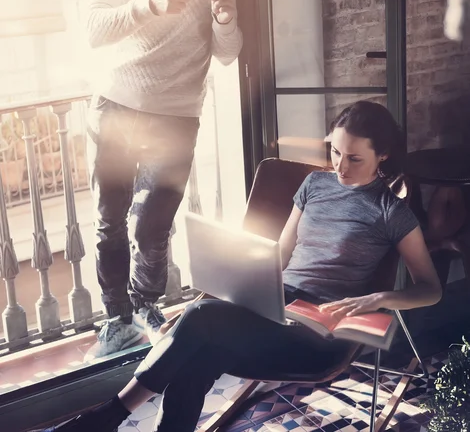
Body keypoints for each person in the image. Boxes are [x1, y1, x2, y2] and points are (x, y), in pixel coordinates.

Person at [40, 101, 442, 431]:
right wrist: (236, 287)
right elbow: (279, 258)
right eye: (335, 151)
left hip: (320, 334)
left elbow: (430, 288)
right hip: (278, 313)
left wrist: (379, 297)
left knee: (200, 320)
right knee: (199, 353)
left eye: (354, 158)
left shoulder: (390, 212)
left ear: (382, 156)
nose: (340, 166)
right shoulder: (315, 186)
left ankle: (109, 415)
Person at [84, 0, 243, 361]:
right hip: (119, 102)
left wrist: (223, 18)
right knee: (110, 220)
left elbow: (227, 52)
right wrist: (149, 4)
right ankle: (116, 321)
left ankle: (146, 305)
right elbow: (93, 29)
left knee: (153, 225)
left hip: (179, 110)